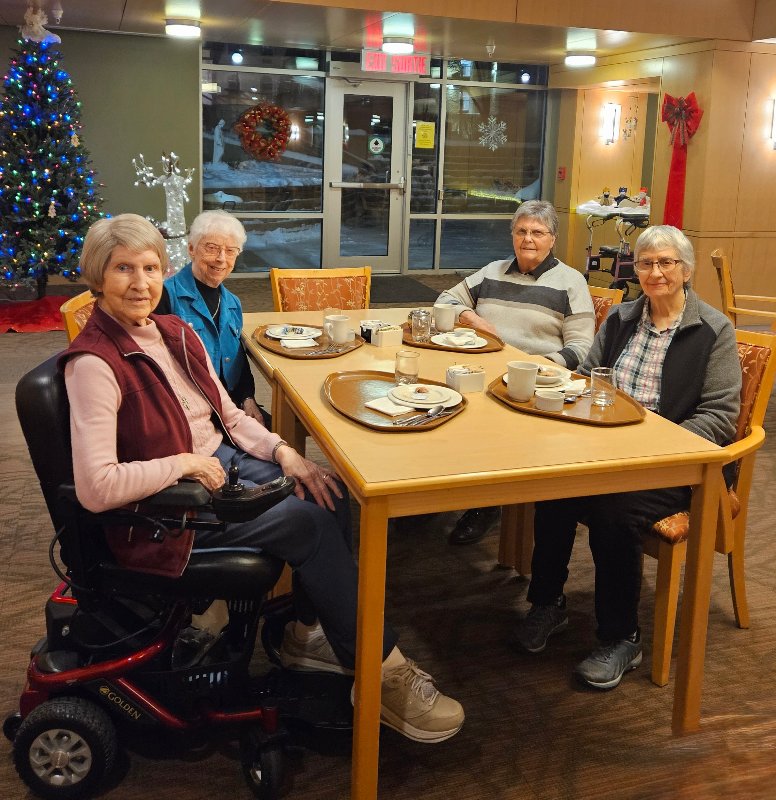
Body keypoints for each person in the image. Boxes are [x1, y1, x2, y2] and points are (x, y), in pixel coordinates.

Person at [60, 214, 464, 743]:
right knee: (309, 525)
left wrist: (286, 454)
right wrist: (183, 464)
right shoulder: (94, 363)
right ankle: (380, 671)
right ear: (97, 276)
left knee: (325, 487)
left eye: (150, 268)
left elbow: (229, 417)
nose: (140, 283)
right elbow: (96, 487)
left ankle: (309, 634)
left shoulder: (174, 332)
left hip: (219, 468)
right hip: (169, 510)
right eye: (123, 270)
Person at [513, 225, 741, 690]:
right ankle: (548, 602)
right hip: (609, 447)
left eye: (666, 263)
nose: (655, 272)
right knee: (553, 486)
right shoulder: (620, 318)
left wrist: (655, 446)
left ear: (687, 270)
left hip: (678, 464)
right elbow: (586, 378)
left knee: (612, 511)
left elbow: (720, 417)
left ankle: (622, 636)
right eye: (645, 263)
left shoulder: (713, 330)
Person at [437, 200, 595, 545]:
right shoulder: (492, 271)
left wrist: (535, 370)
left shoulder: (570, 283)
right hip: (479, 367)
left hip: (531, 384)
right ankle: (434, 491)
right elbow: (445, 301)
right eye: (521, 231)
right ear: (512, 236)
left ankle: (487, 502)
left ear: (552, 239)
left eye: (537, 232)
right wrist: (473, 319)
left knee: (476, 417)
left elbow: (583, 349)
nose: (528, 239)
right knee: (434, 402)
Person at [155, 210, 268, 426]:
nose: (221, 259)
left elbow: (237, 359)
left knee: (281, 436)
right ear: (191, 249)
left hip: (231, 406)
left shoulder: (233, 303)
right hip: (190, 412)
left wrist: (248, 398)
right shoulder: (165, 296)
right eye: (212, 248)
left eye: (230, 251)